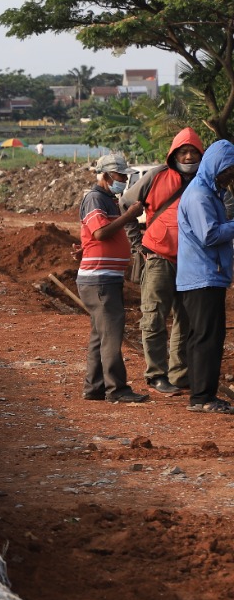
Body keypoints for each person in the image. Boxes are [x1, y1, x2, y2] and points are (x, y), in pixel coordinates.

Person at [121, 128, 204, 397]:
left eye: (193, 151)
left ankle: (180, 374)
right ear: (173, 154)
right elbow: (126, 205)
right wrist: (137, 245)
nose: (188, 156)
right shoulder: (156, 176)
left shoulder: (207, 180)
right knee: (154, 316)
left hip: (192, 263)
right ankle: (156, 375)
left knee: (186, 320)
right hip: (158, 257)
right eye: (183, 151)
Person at [76, 153, 148, 404]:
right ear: (106, 176)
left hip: (103, 278)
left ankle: (94, 386)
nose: (124, 180)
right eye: (120, 176)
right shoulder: (96, 198)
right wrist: (131, 216)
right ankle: (116, 389)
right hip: (100, 279)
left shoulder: (107, 198)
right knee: (111, 334)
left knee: (101, 334)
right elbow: (100, 232)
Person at [176, 139, 234, 413]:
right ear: (216, 167)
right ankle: (203, 397)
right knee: (207, 338)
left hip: (204, 275)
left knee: (203, 336)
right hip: (203, 275)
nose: (230, 176)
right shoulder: (200, 195)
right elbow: (209, 234)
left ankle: (201, 394)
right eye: (228, 170)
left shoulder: (209, 193)